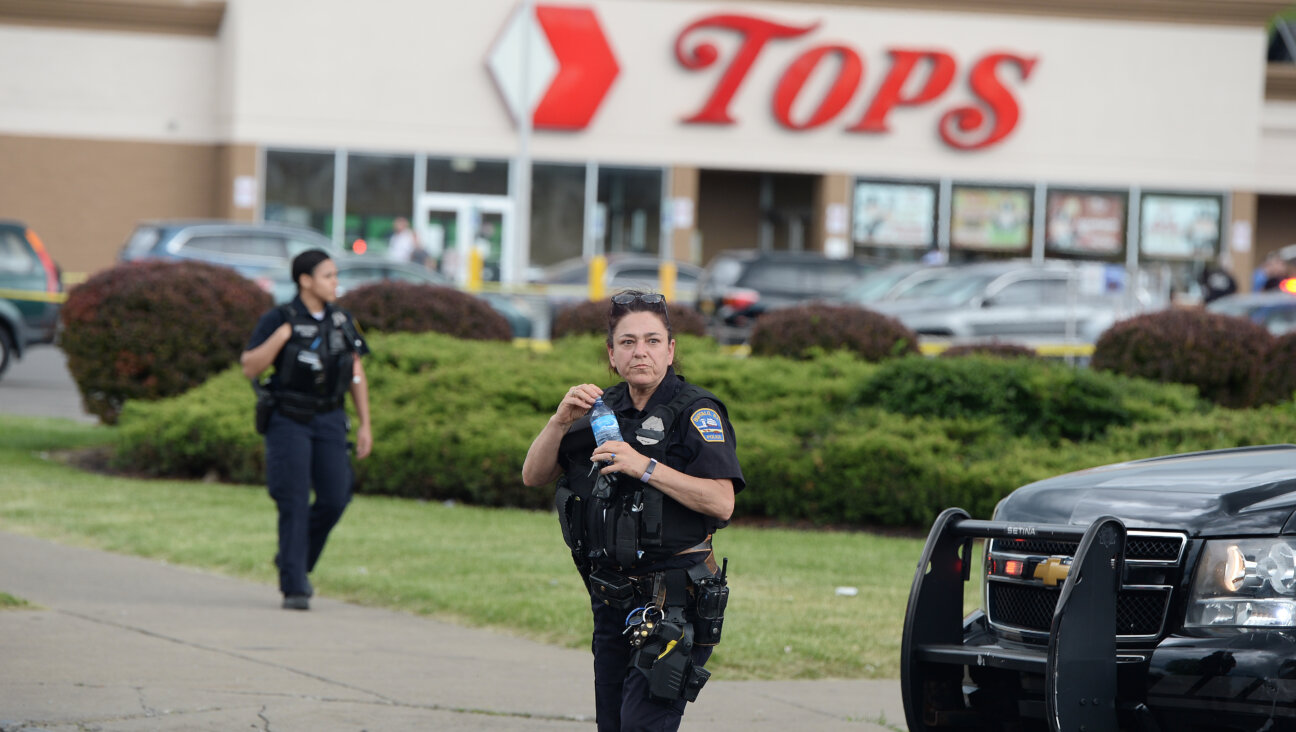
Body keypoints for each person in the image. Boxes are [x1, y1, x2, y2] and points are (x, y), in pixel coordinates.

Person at [522, 291, 744, 732]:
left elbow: (721, 501)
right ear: (611, 353)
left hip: (673, 604)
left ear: (670, 349)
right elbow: (534, 474)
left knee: (642, 725)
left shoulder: (696, 413)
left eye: (652, 340)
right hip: (612, 602)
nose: (640, 351)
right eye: (627, 342)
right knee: (613, 724)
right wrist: (560, 420)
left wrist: (646, 467)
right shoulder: (603, 410)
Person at [240, 249, 372, 610]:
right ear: (305, 280)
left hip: (330, 417)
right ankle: (294, 585)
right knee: (294, 500)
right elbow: (249, 367)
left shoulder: (343, 320)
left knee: (335, 496)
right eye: (328, 276)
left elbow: (356, 372)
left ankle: (292, 560)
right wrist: (281, 338)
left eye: (335, 275)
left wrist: (365, 424)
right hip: (289, 419)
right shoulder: (278, 318)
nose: (335, 283)